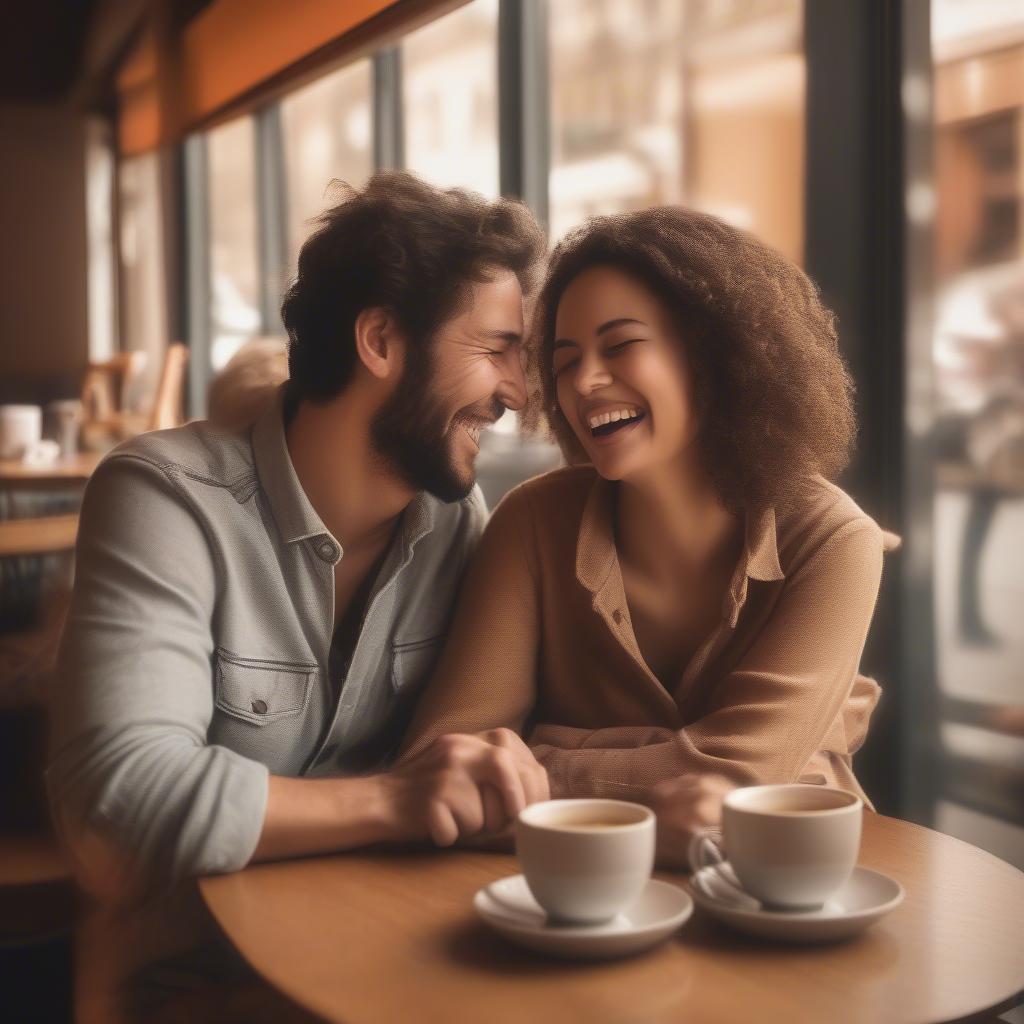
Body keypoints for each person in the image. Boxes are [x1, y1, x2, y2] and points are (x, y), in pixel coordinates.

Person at [46, 172, 548, 1021]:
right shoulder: (166, 496)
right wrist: (395, 798)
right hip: (186, 978)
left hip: (384, 964)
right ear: (382, 340)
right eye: (496, 349)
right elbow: (117, 800)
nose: (520, 391)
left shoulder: (460, 521)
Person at [401, 206, 894, 856]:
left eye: (622, 344)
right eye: (566, 359)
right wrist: (727, 775)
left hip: (777, 902)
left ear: (717, 352)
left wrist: (547, 754)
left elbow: (732, 790)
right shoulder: (532, 522)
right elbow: (441, 774)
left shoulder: (834, 541)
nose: (584, 381)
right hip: (558, 906)